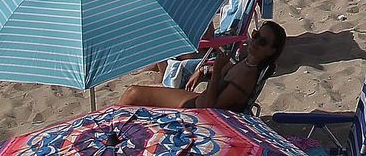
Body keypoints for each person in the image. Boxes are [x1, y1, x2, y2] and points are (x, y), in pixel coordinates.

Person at [119, 22, 286, 111]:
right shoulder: (245, 60)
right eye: (256, 35)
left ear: (271, 51)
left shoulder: (247, 76)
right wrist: (204, 71)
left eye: (262, 42)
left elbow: (212, 108)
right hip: (199, 100)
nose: (255, 42)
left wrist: (217, 71)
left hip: (199, 109)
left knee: (133, 94)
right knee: (136, 93)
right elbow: (223, 76)